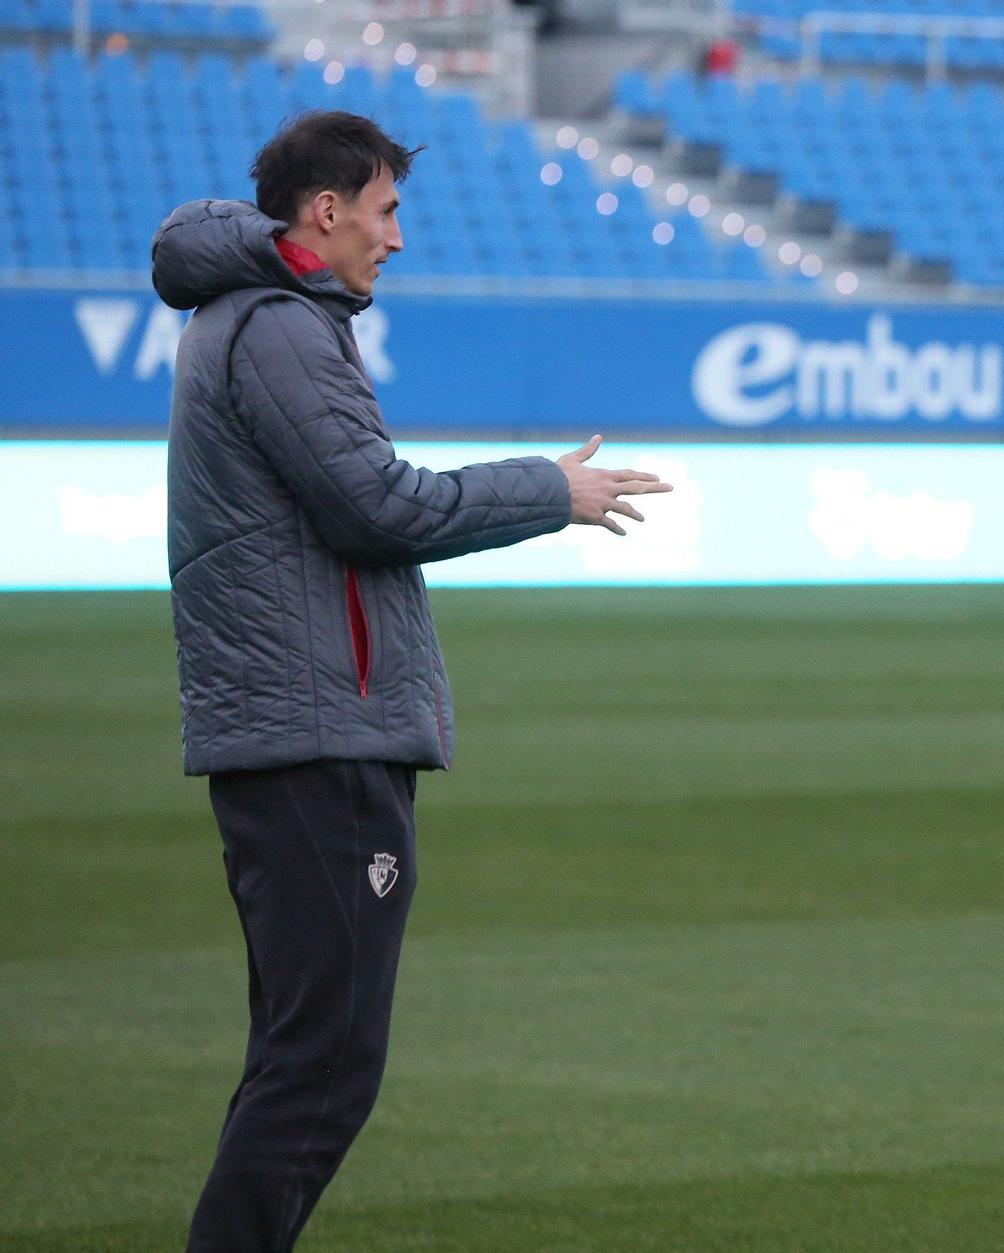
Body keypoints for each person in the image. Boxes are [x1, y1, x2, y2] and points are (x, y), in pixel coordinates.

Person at [153, 110, 670, 1251]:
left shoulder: (250, 317)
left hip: (297, 735)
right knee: (321, 1071)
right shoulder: (280, 328)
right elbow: (378, 505)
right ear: (326, 211)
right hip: (316, 741)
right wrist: (549, 492)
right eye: (384, 212)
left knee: (301, 1062)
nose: (395, 238)